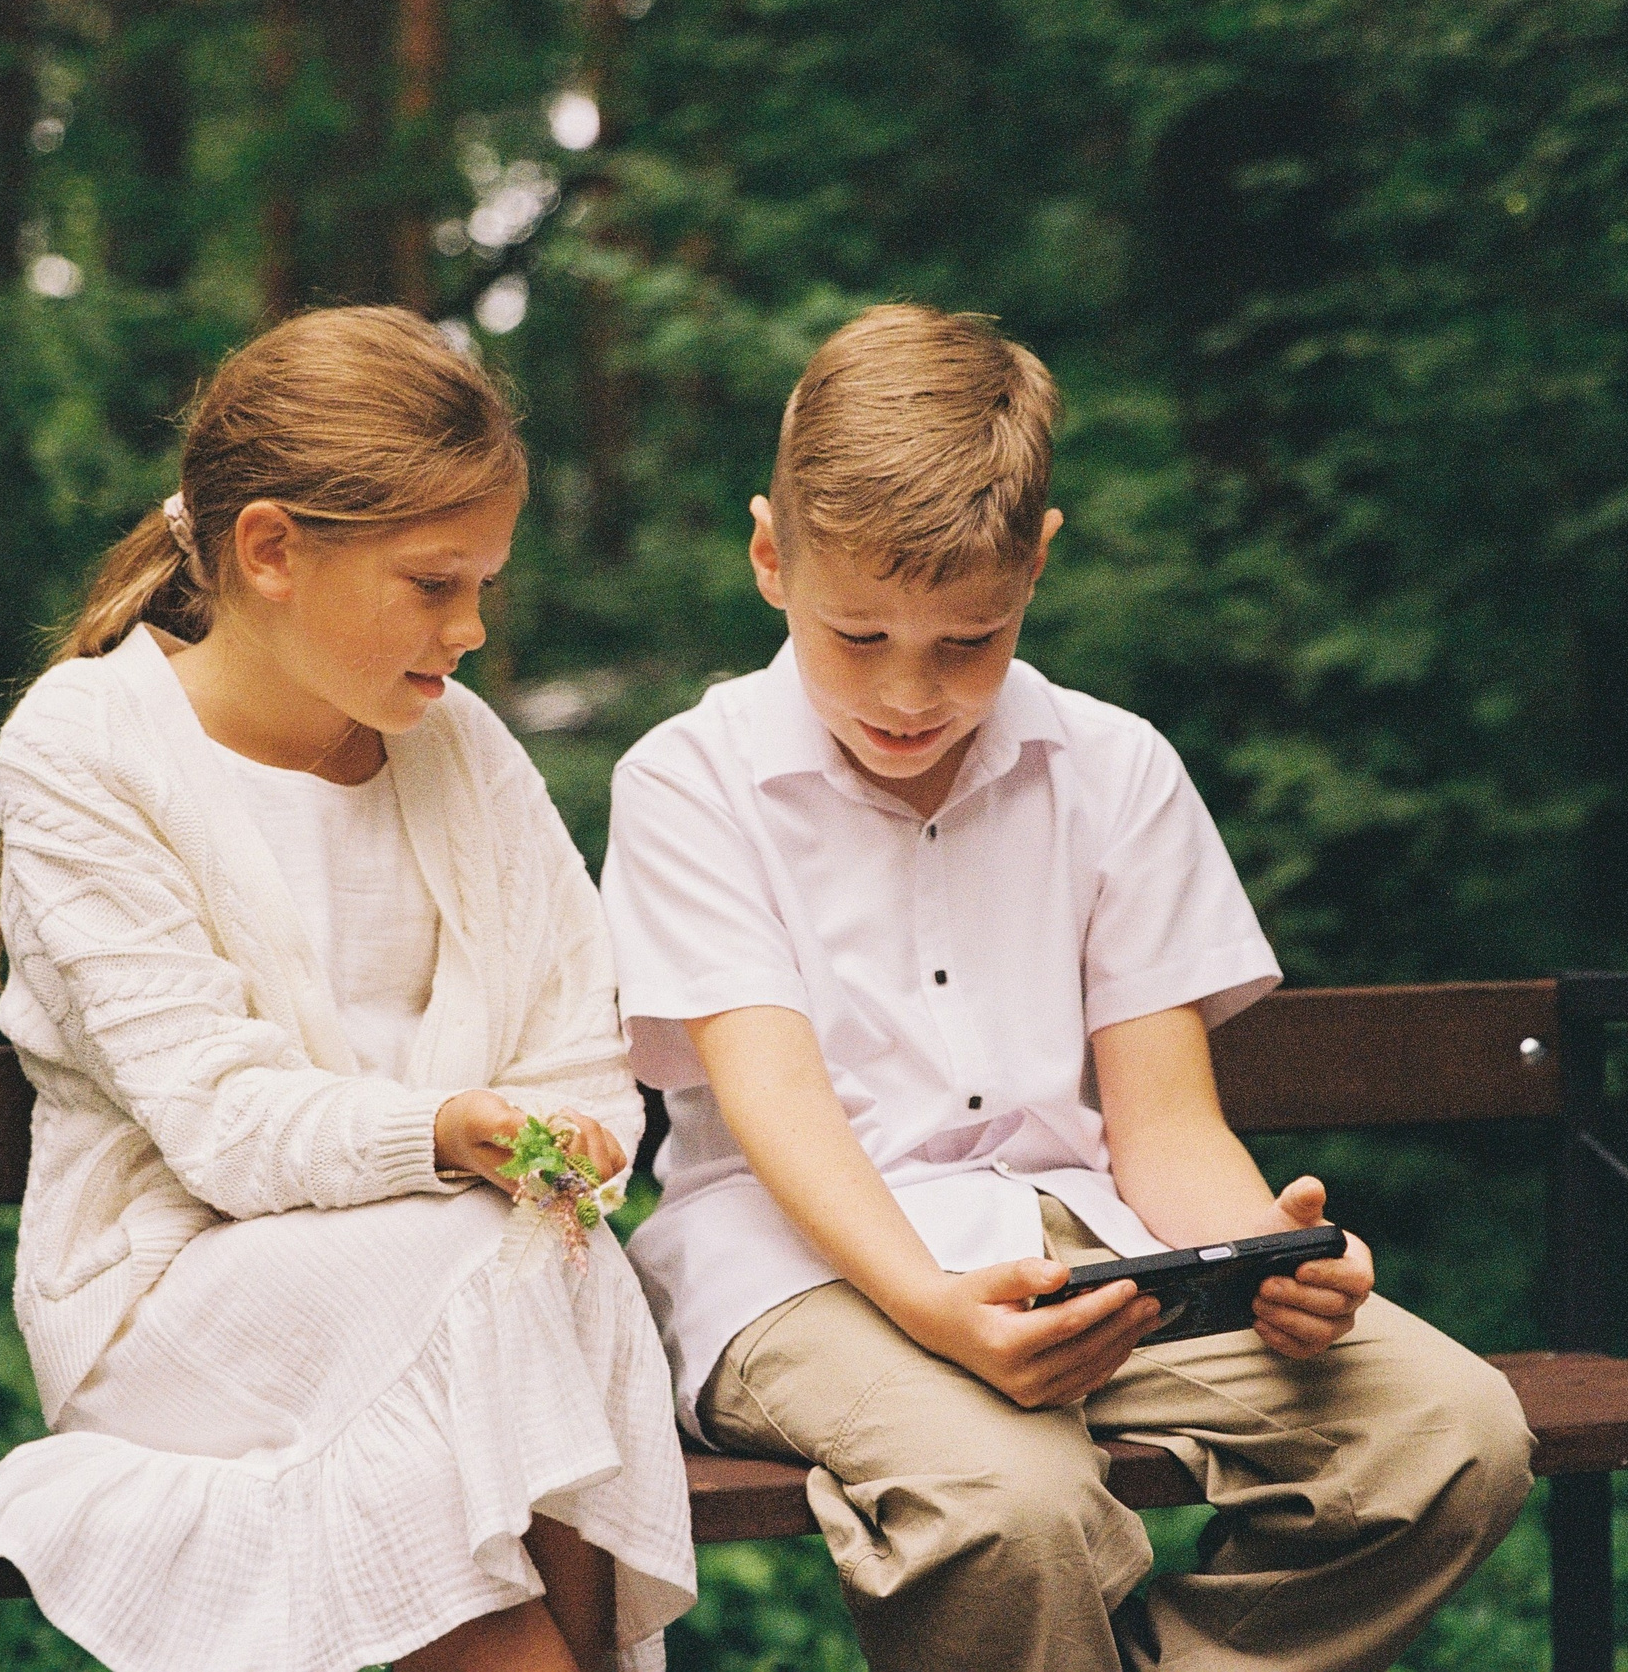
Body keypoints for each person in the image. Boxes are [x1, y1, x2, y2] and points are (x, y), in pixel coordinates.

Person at [601, 304, 1535, 1672]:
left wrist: (1275, 1258)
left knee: (1455, 1432)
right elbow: (779, 1107)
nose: (910, 694)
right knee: (1011, 1507)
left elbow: (1163, 1124)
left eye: (966, 641)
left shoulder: (1115, 768)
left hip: (1093, 1254)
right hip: (796, 1269)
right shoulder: (691, 779)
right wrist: (935, 1307)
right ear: (767, 555)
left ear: (1037, 565)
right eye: (858, 638)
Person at [0, 307, 695, 1672]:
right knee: (502, 1271)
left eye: (485, 583)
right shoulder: (84, 746)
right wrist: (440, 1133)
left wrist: (566, 1141)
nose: (472, 629)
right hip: (170, 1305)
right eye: (434, 584)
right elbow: (218, 1116)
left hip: (475, 1279)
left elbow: (578, 1046)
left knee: (534, 1264)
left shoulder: (464, 751)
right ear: (273, 549)